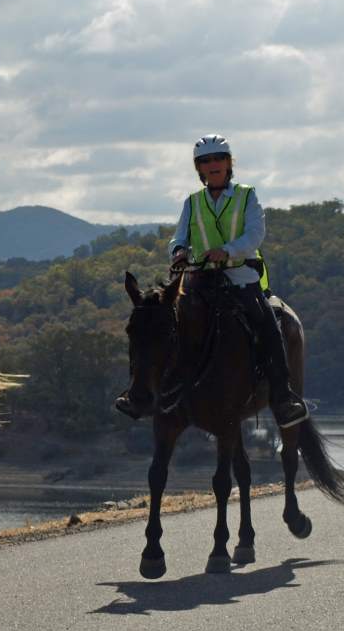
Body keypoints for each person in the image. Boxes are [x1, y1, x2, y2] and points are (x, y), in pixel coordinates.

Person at [115, 134, 309, 428]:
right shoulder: (192, 202)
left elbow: (255, 234)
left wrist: (228, 250)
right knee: (158, 327)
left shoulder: (247, 196)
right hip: (200, 277)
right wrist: (179, 252)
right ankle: (140, 393)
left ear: (229, 164)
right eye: (206, 161)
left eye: (219, 158)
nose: (213, 164)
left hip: (240, 277)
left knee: (268, 325)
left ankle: (283, 397)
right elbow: (179, 237)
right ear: (199, 169)